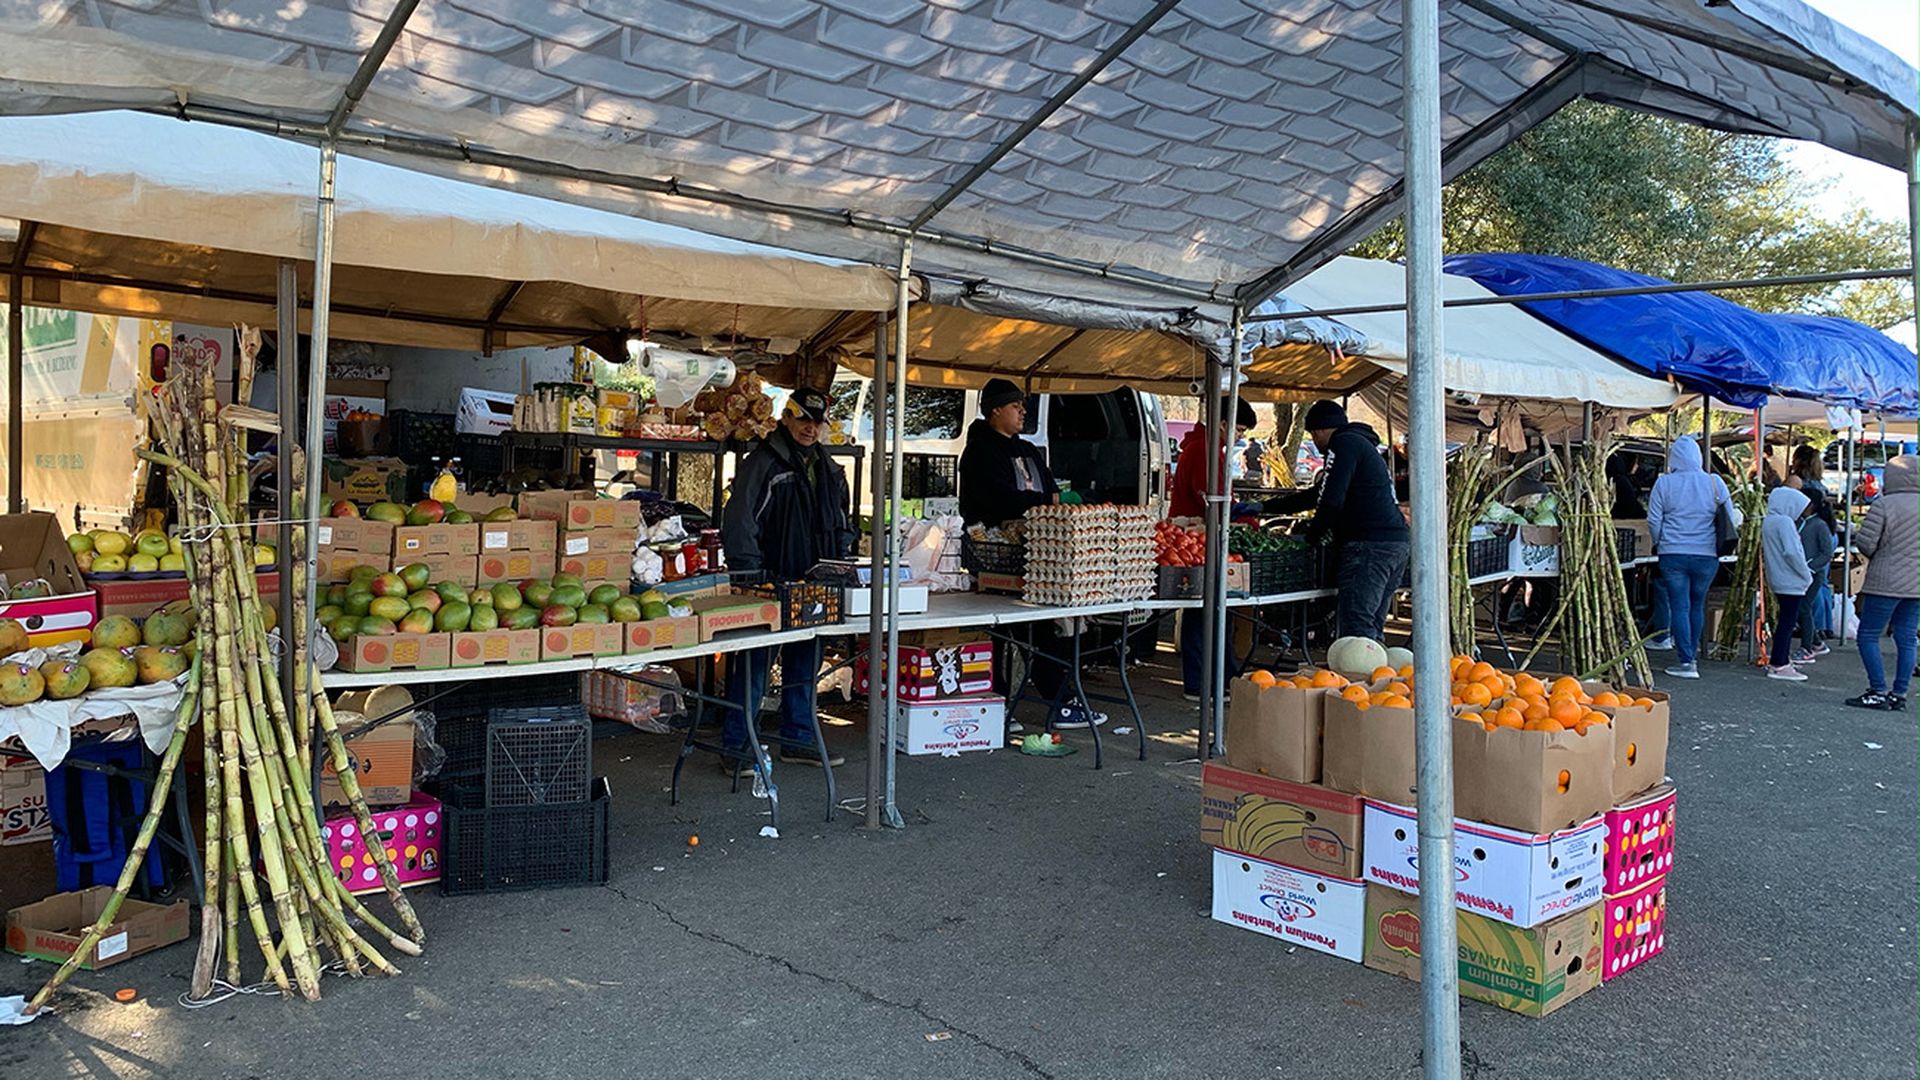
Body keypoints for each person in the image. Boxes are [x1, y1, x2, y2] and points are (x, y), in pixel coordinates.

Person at [718, 387, 853, 772]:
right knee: (754, 665)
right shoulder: (763, 462)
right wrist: (749, 574)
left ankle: (798, 738)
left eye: (817, 422)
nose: (810, 428)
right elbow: (741, 520)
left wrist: (840, 562)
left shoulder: (829, 468)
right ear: (786, 419)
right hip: (768, 580)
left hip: (814, 581)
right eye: (803, 420)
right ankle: (737, 744)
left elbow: (841, 522)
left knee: (805, 661)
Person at [956, 379, 1097, 728]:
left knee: (1040, 629)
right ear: (995, 411)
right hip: (993, 554)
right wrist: (1049, 501)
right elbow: (996, 498)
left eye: (1022, 405)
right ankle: (998, 705)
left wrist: (1059, 501)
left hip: (1036, 555)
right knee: (999, 634)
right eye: (1015, 406)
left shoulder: (1029, 450)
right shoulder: (979, 451)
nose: (1023, 411)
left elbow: (1049, 486)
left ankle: (1058, 699)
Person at [1264, 400, 1409, 642]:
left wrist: (1312, 536)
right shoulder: (1361, 445)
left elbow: (1330, 500)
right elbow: (1317, 494)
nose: (1316, 442)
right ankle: (1378, 676)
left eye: (1313, 434)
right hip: (1394, 543)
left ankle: (1357, 676)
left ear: (1320, 430)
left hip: (1368, 545)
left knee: (1356, 625)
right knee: (1371, 625)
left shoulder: (1343, 444)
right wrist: (1264, 507)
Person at [1171, 398, 1256, 699]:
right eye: (1239, 430)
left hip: (1201, 539)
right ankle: (1202, 681)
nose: (1239, 437)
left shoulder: (1205, 448)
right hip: (1196, 542)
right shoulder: (1205, 451)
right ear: (1223, 423)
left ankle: (1218, 677)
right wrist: (1236, 513)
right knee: (1204, 610)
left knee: (1212, 609)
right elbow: (1211, 498)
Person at [1646, 437, 1736, 679]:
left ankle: (1687, 661)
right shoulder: (1715, 483)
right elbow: (1731, 517)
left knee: (1679, 605)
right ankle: (1691, 650)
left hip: (1672, 553)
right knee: (1697, 604)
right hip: (1707, 555)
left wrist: (1659, 542)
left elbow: (1654, 520)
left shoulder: (1664, 484)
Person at [1846, 454, 1917, 710]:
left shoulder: (1884, 505)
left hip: (1885, 581)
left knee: (1868, 634)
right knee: (1907, 638)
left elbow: (1865, 543)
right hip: (1916, 584)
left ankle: (1877, 689)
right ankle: (1900, 694)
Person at [1759, 485, 1813, 681]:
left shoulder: (1769, 522)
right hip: (1791, 579)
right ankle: (1779, 662)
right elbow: (1792, 552)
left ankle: (1780, 659)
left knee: (1785, 621)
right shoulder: (1784, 523)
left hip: (1777, 577)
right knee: (1787, 622)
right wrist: (1806, 574)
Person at [1793, 487, 1837, 664]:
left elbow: (1826, 553)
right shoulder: (1800, 521)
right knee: (1800, 607)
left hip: (1813, 573)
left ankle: (1807, 647)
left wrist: (1810, 567)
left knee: (1804, 607)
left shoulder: (1819, 525)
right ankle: (1816, 642)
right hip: (1800, 572)